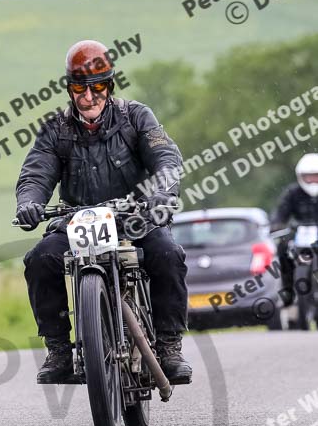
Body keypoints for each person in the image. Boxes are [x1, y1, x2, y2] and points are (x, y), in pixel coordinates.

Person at [15, 39, 192, 385]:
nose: (89, 95)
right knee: (39, 260)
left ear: (109, 86)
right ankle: (59, 352)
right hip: (78, 220)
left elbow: (166, 159)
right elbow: (36, 173)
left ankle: (169, 347)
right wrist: (28, 203)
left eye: (98, 86)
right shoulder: (55, 129)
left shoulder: (136, 116)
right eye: (80, 88)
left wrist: (160, 195)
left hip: (135, 216)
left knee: (169, 254)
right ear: (70, 90)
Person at [270, 153, 318, 304]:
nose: (312, 180)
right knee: (282, 250)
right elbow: (281, 213)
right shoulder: (292, 192)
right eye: (308, 176)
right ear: (300, 176)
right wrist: (276, 224)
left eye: (315, 176)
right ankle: (288, 289)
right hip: (300, 233)